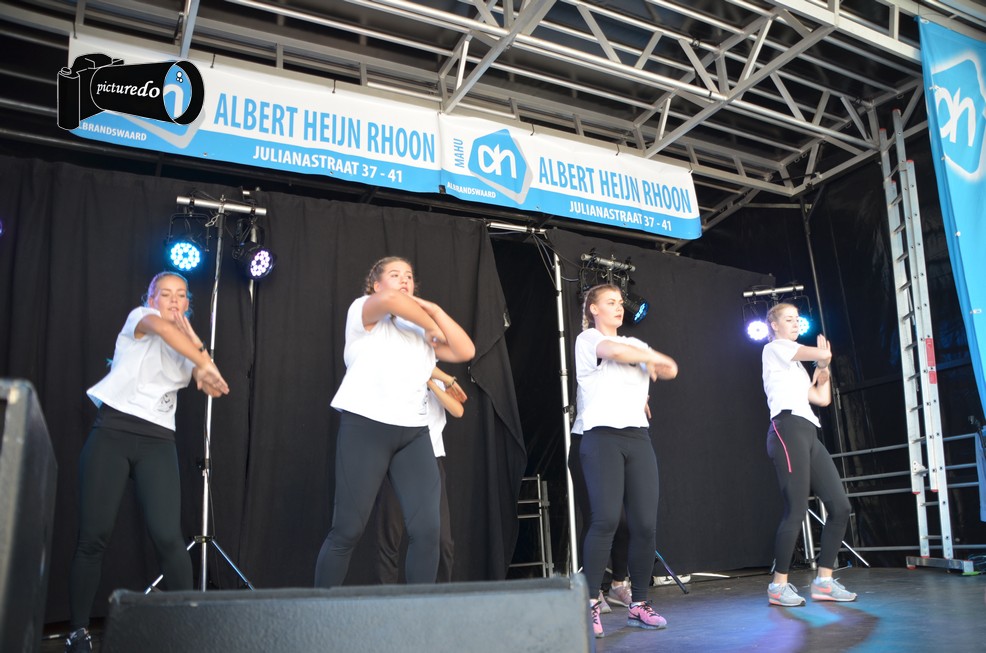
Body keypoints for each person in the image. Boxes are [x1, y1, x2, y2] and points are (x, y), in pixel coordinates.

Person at [64, 272, 230, 653]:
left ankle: (188, 627)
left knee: (169, 538)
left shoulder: (189, 345)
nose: (172, 300)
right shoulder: (140, 318)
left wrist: (203, 362)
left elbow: (205, 375)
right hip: (113, 434)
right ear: (151, 299)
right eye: (164, 294)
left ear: (188, 303)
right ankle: (77, 632)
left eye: (180, 295)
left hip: (158, 442)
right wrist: (202, 359)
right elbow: (168, 332)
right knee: (93, 537)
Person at [314, 256, 475, 588]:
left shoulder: (420, 331)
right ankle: (320, 611)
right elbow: (389, 300)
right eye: (395, 274)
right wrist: (430, 324)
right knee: (347, 530)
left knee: (428, 531)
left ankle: (417, 612)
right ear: (376, 285)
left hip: (413, 434)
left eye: (410, 276)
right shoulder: (363, 313)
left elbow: (465, 350)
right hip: (366, 428)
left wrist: (435, 312)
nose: (404, 280)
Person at [575, 284, 678, 638]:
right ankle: (590, 603)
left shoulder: (636, 344)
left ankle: (639, 603)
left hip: (638, 437)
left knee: (645, 524)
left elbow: (671, 369)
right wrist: (647, 358)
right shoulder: (588, 339)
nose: (619, 307)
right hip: (602, 437)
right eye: (611, 302)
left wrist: (648, 357)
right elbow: (612, 350)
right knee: (605, 519)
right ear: (593, 309)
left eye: (621, 302)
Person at [762, 303, 856, 607]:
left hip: (809, 431)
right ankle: (778, 586)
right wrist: (822, 355)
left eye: (797, 320)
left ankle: (824, 581)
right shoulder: (775, 349)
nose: (794, 324)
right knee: (797, 508)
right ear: (774, 325)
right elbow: (812, 352)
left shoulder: (797, 367)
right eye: (788, 319)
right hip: (787, 428)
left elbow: (820, 398)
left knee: (840, 507)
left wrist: (824, 369)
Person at [373, 366, 466, 584]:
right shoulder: (396, 372)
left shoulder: (436, 380)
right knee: (389, 537)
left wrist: (430, 382)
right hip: (398, 460)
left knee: (443, 541)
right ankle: (387, 600)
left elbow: (458, 410)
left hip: (431, 462)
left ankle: (438, 598)